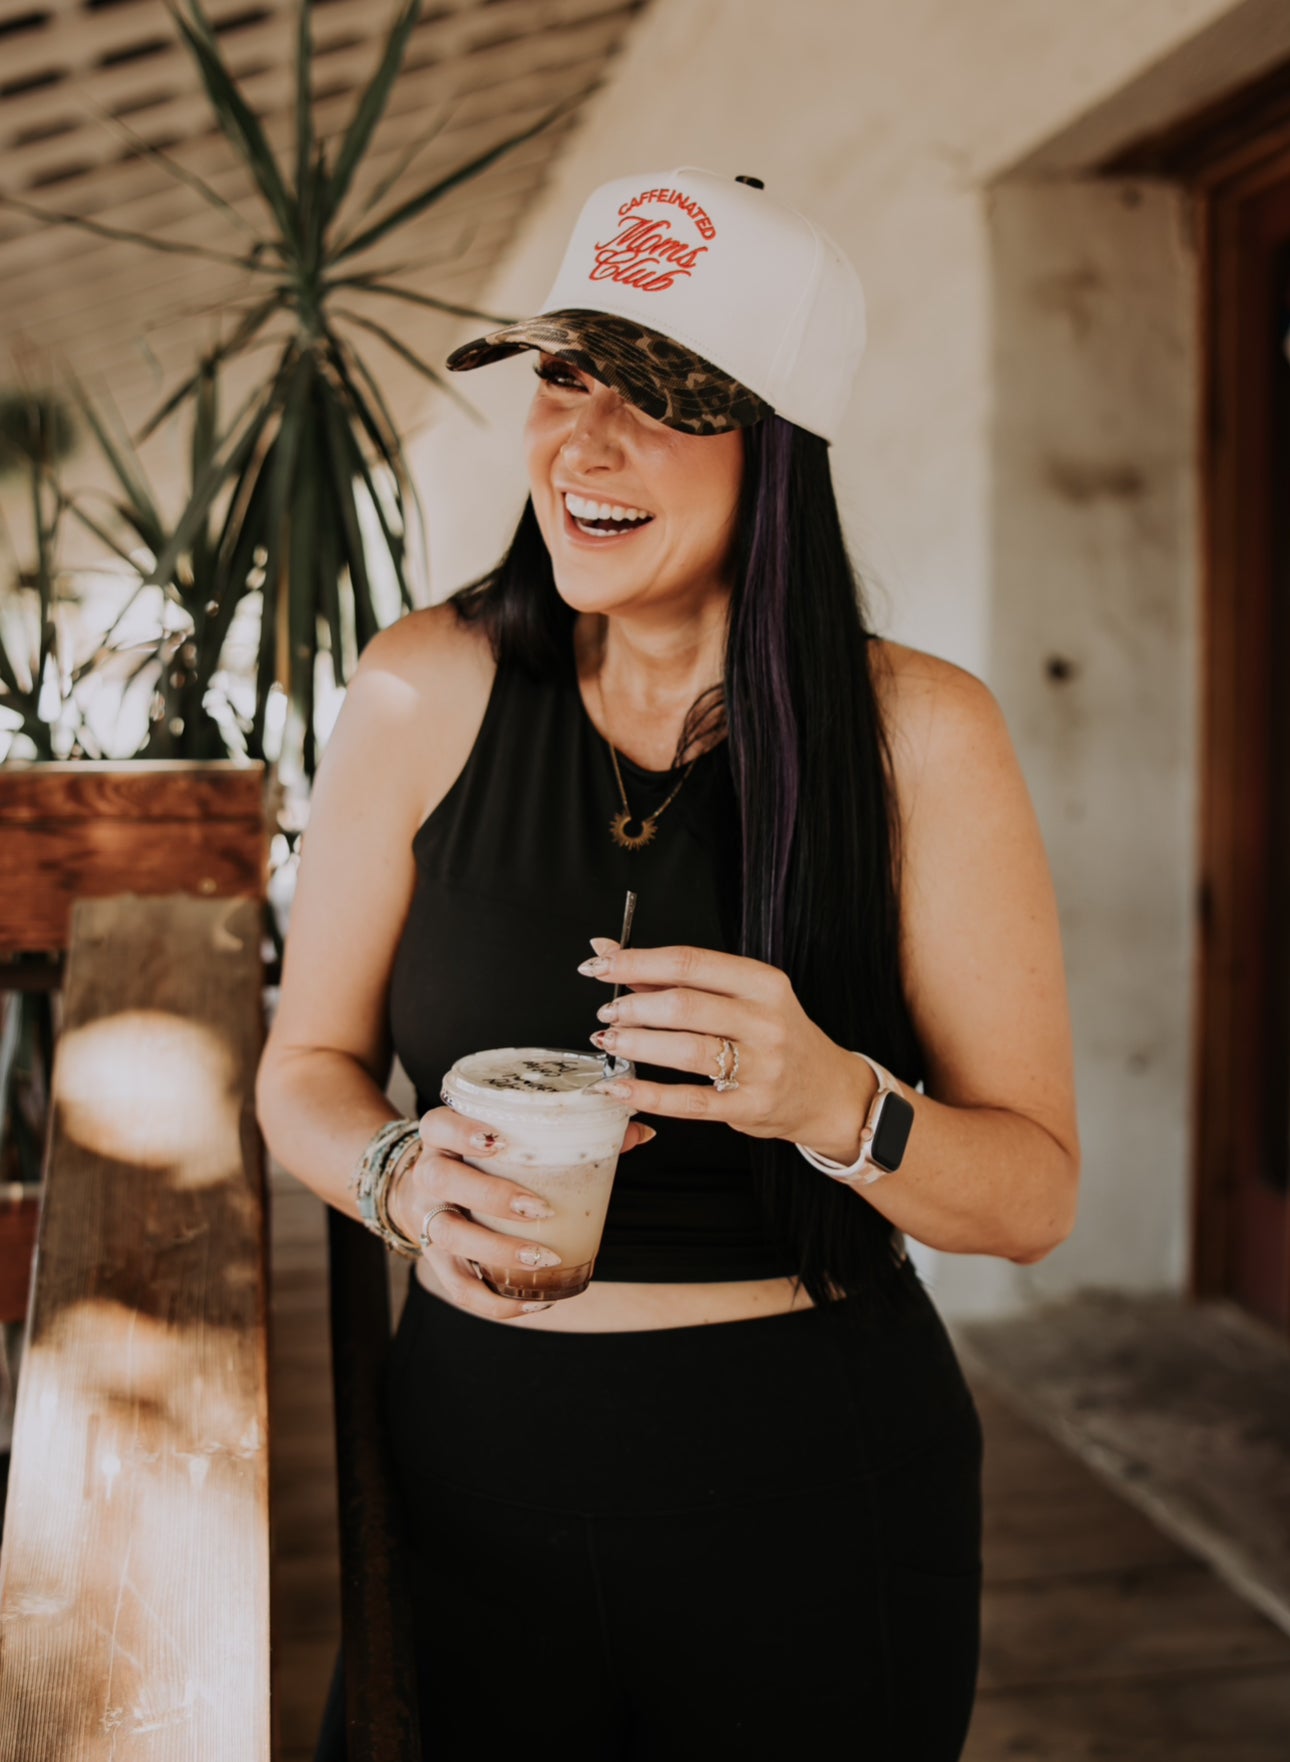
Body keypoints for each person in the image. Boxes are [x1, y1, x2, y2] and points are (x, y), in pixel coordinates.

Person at [256, 166, 1079, 1762]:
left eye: (658, 397)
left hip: (812, 1489)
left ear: (780, 446)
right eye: (565, 378)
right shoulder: (425, 687)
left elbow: (1031, 1195)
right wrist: (394, 1177)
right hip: (466, 1469)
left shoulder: (920, 733)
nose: (584, 443)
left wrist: (837, 1102)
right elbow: (305, 1066)